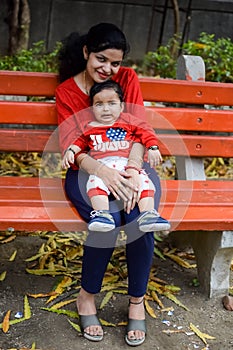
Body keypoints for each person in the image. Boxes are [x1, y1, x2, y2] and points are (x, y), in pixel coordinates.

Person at [56, 22, 165, 347]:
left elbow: (139, 130)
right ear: (86, 52)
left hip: (132, 164)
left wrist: (131, 169)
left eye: (115, 63)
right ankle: (87, 296)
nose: (108, 69)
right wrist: (105, 174)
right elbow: (70, 148)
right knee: (105, 220)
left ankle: (136, 302)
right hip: (86, 170)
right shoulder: (67, 92)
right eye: (101, 59)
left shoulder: (127, 80)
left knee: (139, 220)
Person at [62, 80, 170, 234]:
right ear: (92, 108)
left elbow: (145, 131)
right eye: (99, 104)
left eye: (112, 103)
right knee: (95, 183)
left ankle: (149, 215)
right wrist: (71, 151)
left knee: (144, 183)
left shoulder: (128, 121)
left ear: (121, 106)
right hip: (103, 166)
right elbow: (79, 141)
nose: (106, 109)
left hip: (127, 165)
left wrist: (153, 147)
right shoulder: (89, 126)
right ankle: (102, 214)